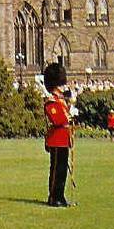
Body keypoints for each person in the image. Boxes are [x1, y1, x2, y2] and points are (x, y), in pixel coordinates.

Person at [43, 62, 72, 208]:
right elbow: (57, 120)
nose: (63, 88)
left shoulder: (60, 101)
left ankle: (60, 195)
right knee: (56, 170)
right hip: (56, 140)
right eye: (61, 85)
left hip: (63, 139)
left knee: (62, 171)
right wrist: (69, 116)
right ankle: (54, 197)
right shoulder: (51, 102)